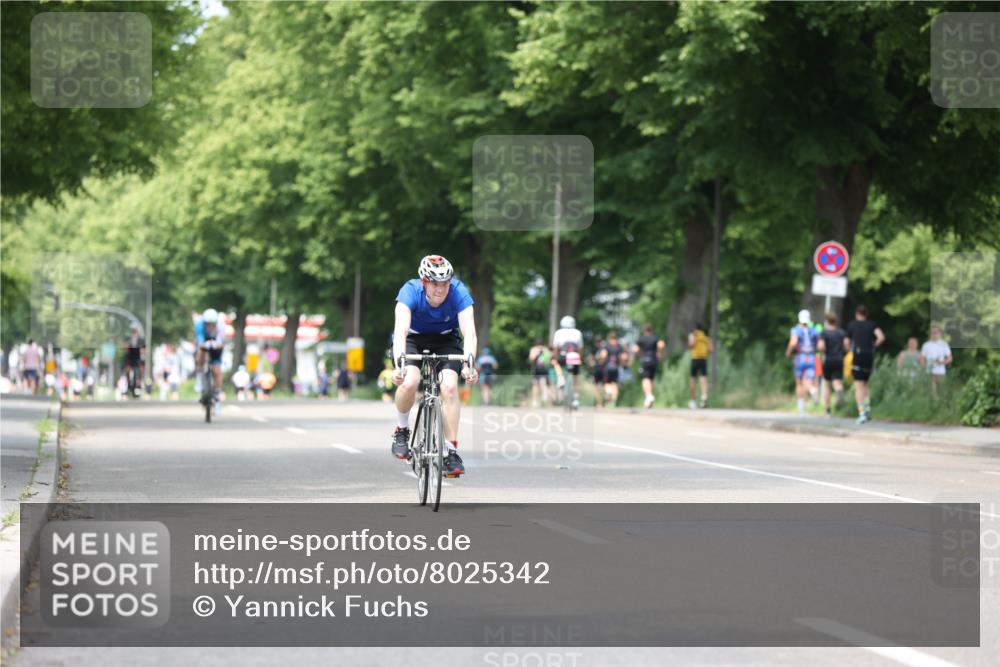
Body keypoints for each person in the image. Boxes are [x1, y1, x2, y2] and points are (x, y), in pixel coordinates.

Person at [390, 255, 478, 478]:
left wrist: (469, 363)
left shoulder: (459, 292)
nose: (440, 289)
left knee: (448, 387)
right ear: (424, 282)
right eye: (434, 283)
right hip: (414, 339)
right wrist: (399, 364)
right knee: (410, 382)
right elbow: (400, 331)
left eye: (445, 283)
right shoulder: (409, 291)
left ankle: (451, 451)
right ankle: (401, 429)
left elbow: (470, 332)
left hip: (446, 339)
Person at [844, 304, 886, 424]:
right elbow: (881, 337)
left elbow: (846, 342)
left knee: (858, 385)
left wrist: (849, 350)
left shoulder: (852, 325)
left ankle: (861, 413)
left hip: (858, 356)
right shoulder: (872, 324)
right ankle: (867, 410)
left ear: (857, 314)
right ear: (866, 314)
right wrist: (873, 346)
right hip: (869, 356)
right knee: (866, 384)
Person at [786, 309, 820, 415]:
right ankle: (812, 390)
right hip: (811, 357)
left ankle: (801, 409)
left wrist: (788, 352)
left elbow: (793, 342)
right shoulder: (814, 330)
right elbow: (819, 345)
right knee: (810, 381)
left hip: (800, 357)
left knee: (799, 382)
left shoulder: (796, 330)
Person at [817, 312, 846, 416]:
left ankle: (828, 410)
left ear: (826, 321)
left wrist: (821, 350)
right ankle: (839, 391)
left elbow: (821, 347)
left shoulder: (824, 333)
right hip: (839, 359)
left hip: (828, 359)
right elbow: (846, 345)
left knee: (827, 385)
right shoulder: (841, 333)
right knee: (837, 381)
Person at [194, 308, 226, 404]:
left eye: (212, 324)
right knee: (201, 352)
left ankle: (216, 391)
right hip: (204, 342)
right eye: (207, 324)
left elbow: (221, 341)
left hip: (216, 344)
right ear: (204, 323)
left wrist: (216, 344)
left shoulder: (221, 326)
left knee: (217, 370)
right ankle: (200, 378)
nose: (210, 326)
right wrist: (204, 344)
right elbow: (200, 341)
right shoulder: (199, 325)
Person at [552, 316, 583, 408]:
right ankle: (576, 399)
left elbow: (556, 348)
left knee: (556, 363)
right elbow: (580, 348)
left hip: (563, 355)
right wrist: (580, 358)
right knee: (575, 377)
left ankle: (560, 378)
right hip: (574, 357)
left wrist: (555, 357)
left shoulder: (558, 333)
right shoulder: (578, 333)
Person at [633, 323, 666, 409]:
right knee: (651, 379)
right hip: (654, 360)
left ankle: (648, 395)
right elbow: (662, 344)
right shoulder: (655, 338)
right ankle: (649, 402)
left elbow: (635, 349)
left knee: (645, 379)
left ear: (644, 330)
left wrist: (639, 355)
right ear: (651, 330)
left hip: (645, 360)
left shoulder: (641, 339)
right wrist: (659, 353)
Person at [920, 326, 953, 398]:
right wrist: (923, 367)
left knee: (942, 391)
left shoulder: (944, 344)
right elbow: (922, 358)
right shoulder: (926, 345)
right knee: (931, 393)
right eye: (932, 332)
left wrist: (942, 362)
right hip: (929, 372)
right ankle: (932, 406)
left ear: (940, 333)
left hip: (940, 372)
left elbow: (950, 358)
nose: (934, 334)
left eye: (935, 332)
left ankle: (942, 406)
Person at [688, 323, 712, 408]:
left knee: (693, 379)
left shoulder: (693, 334)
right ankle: (704, 397)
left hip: (695, 358)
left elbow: (691, 345)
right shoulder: (706, 336)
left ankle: (693, 400)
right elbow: (711, 349)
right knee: (704, 379)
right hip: (703, 359)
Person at [600, 331, 625, 407]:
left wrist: (601, 362)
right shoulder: (619, 347)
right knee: (615, 383)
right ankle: (613, 399)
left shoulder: (607, 347)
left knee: (607, 383)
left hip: (607, 367)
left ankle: (608, 392)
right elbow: (623, 357)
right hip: (616, 368)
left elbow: (603, 355)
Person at [123, 325, 146, 398]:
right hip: (130, 357)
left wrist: (141, 350)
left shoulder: (141, 340)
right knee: (127, 369)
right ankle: (128, 381)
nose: (134, 333)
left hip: (137, 357)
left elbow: (144, 349)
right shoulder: (128, 339)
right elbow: (124, 346)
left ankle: (140, 381)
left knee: (141, 368)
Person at [528, 339, 551, 408]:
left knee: (535, 385)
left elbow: (531, 358)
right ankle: (545, 396)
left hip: (537, 369)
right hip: (545, 368)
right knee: (545, 383)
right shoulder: (546, 349)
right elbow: (550, 358)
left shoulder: (534, 349)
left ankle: (535, 401)